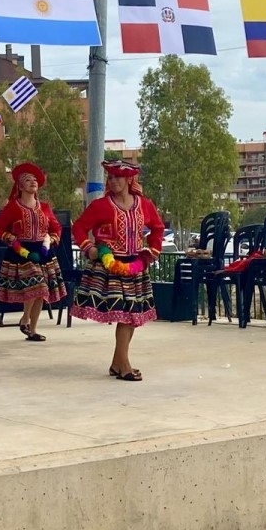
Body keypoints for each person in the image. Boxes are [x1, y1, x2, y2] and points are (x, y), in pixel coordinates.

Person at [70, 160, 164, 381]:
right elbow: (79, 227)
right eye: (110, 178)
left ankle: (117, 363)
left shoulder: (144, 204)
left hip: (135, 266)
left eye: (118, 177)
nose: (113, 181)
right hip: (109, 268)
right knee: (126, 315)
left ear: (129, 179)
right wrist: (89, 248)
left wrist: (152, 251)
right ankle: (125, 366)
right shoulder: (101, 206)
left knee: (132, 316)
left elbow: (158, 228)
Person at [0, 162, 66, 342]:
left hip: (43, 251)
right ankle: (25, 318)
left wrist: (51, 240)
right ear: (20, 185)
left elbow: (56, 228)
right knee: (38, 286)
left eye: (35, 180)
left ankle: (32, 328)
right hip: (21, 252)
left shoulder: (44, 207)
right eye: (28, 180)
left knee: (41, 291)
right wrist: (11, 240)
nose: (33, 182)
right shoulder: (13, 207)